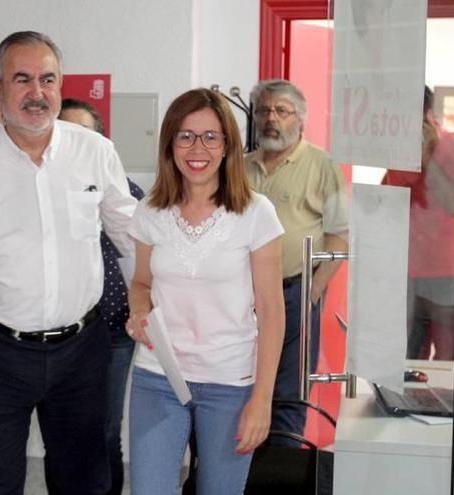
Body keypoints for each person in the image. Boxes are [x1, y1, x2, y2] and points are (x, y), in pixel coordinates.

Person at [0, 31, 137, 494]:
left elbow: (130, 235)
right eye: (22, 80)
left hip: (82, 351)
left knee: (84, 482)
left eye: (48, 79)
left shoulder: (95, 152)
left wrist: (148, 296)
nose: (37, 93)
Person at [126, 88, 285, 494]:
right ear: (170, 145)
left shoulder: (255, 213)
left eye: (211, 137)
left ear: (228, 146)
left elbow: (271, 311)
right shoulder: (150, 211)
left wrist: (262, 400)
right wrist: (139, 310)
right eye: (185, 136)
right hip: (158, 374)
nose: (198, 148)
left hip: (230, 380)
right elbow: (141, 282)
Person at [244, 79, 348, 443]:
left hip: (294, 294)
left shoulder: (322, 165)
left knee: (288, 394)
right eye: (264, 110)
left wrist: (314, 290)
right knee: (242, 388)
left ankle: (281, 475)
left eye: (281, 111)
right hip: (243, 299)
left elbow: (340, 233)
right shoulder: (240, 168)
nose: (271, 118)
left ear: (300, 119)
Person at [59, 97, 144, 495]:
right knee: (67, 429)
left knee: (106, 429)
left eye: (85, 133)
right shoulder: (43, 191)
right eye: (67, 132)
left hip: (112, 328)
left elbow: (143, 261)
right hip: (64, 331)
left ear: (102, 140)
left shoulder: (129, 192)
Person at [383, 86, 454, 361]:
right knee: (406, 355)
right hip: (406, 270)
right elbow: (387, 201)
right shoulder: (401, 149)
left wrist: (430, 154)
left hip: (447, 271)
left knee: (449, 357)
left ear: (427, 115)